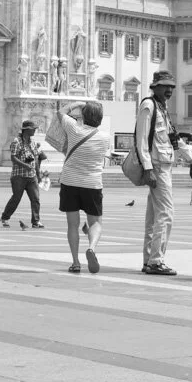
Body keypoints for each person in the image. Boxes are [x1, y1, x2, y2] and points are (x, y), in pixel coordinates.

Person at [49, 100, 112, 273]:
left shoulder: (74, 129)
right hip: (92, 183)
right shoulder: (105, 137)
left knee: (72, 224)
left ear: (83, 115)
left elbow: (60, 112)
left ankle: (76, 262)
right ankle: (91, 248)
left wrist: (77, 103)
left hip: (70, 182)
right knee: (95, 222)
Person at [135, 70, 179, 274]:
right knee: (166, 214)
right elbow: (141, 140)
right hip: (157, 167)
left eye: (171, 86)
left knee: (153, 218)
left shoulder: (163, 108)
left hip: (164, 165)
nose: (169, 90)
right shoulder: (148, 106)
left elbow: (169, 139)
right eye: (165, 86)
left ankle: (149, 260)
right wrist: (148, 168)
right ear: (155, 87)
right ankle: (155, 261)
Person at [0, 120, 44, 228]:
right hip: (19, 176)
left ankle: (36, 221)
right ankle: (5, 217)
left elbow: (35, 159)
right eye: (33, 129)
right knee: (16, 198)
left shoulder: (33, 142)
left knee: (35, 199)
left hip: (31, 176)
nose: (35, 130)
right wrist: (25, 165)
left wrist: (38, 174)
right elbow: (13, 158)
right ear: (27, 130)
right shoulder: (17, 142)